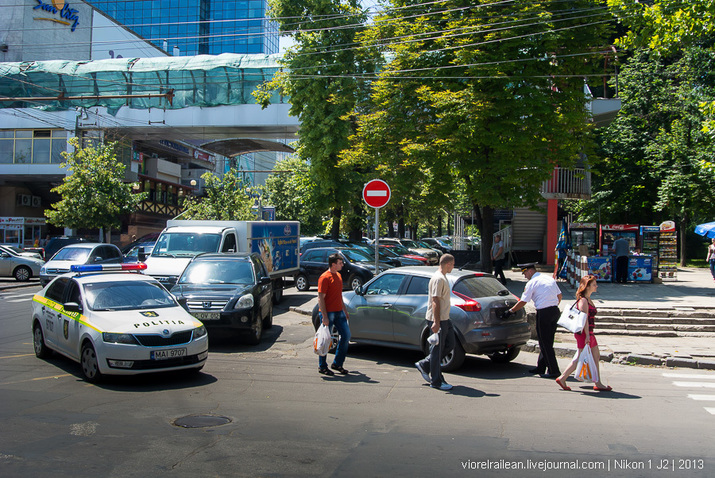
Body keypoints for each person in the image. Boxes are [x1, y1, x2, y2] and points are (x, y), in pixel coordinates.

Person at [555, 275, 613, 392]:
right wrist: (587, 335)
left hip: (589, 332)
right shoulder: (583, 300)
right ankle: (563, 377)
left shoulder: (587, 299)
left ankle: (597, 382)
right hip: (584, 333)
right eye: (594, 284)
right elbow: (584, 319)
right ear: (587, 286)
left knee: (595, 356)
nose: (596, 286)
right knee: (580, 357)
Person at [506, 263, 562, 378]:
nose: (525, 276)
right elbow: (559, 295)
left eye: (525, 273)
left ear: (530, 271)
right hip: (555, 311)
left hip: (544, 313)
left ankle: (554, 371)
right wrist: (552, 305)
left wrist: (511, 311)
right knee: (547, 341)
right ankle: (541, 367)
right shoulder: (548, 278)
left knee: (544, 343)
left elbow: (523, 301)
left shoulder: (532, 283)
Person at [415, 254, 456, 391]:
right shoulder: (438, 278)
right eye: (453, 264)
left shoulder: (442, 277)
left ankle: (425, 364)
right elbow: (435, 300)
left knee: (450, 344)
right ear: (448, 264)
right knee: (437, 350)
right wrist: (436, 322)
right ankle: (436, 381)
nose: (453, 267)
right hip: (437, 319)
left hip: (444, 318)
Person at [317, 253, 351, 376]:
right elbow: (321, 298)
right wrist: (325, 316)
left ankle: (337, 363)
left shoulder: (339, 276)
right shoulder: (325, 277)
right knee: (326, 339)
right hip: (328, 313)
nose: (342, 264)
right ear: (333, 264)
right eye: (340, 263)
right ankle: (322, 366)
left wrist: (345, 310)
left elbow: (339, 295)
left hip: (339, 312)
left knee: (346, 336)